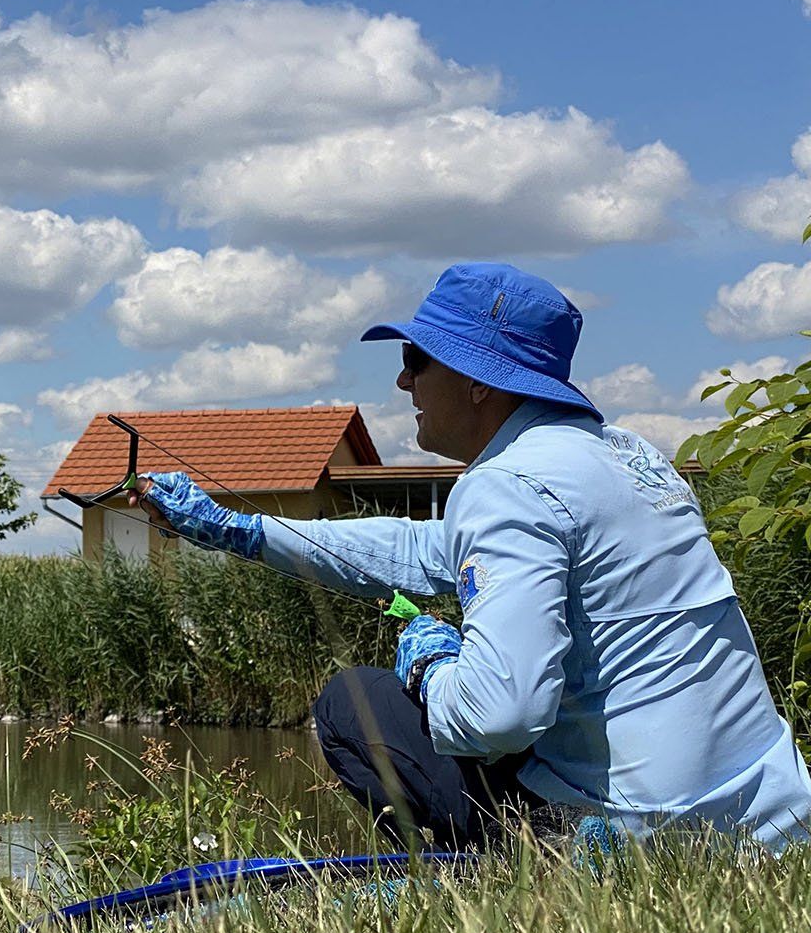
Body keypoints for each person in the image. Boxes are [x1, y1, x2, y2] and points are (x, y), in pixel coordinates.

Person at [134, 261, 811, 850]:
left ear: (477, 381)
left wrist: (433, 670)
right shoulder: (630, 456)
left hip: (635, 835)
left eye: (415, 360)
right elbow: (416, 547)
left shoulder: (506, 486)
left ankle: (486, 869)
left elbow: (500, 716)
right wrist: (236, 530)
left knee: (352, 702)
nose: (404, 384)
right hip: (766, 820)